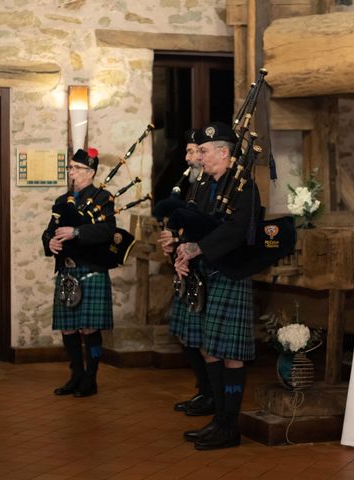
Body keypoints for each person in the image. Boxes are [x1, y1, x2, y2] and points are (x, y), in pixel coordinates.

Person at [173, 121, 261, 450]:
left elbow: (237, 230)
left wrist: (200, 248)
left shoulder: (243, 187)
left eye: (206, 151)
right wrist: (185, 249)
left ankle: (230, 427)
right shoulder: (208, 186)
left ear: (224, 153)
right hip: (207, 272)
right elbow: (198, 225)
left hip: (231, 273)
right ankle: (218, 419)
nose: (201, 157)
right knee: (210, 348)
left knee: (231, 355)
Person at [41, 147, 115, 398]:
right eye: (70, 168)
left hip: (91, 269)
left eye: (76, 168)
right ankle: (76, 375)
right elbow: (49, 230)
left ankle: (90, 379)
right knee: (68, 328)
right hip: (68, 270)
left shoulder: (103, 198)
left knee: (89, 328)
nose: (71, 172)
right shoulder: (62, 202)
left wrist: (77, 232)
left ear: (90, 172)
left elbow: (107, 231)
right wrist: (50, 243)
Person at [158, 129, 215, 417]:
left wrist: (180, 241)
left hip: (203, 269)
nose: (190, 157)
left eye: (195, 152)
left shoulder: (210, 187)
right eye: (189, 152)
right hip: (186, 269)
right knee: (188, 338)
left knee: (203, 340)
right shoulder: (188, 185)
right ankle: (203, 391)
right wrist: (171, 240)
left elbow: (206, 229)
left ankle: (210, 395)